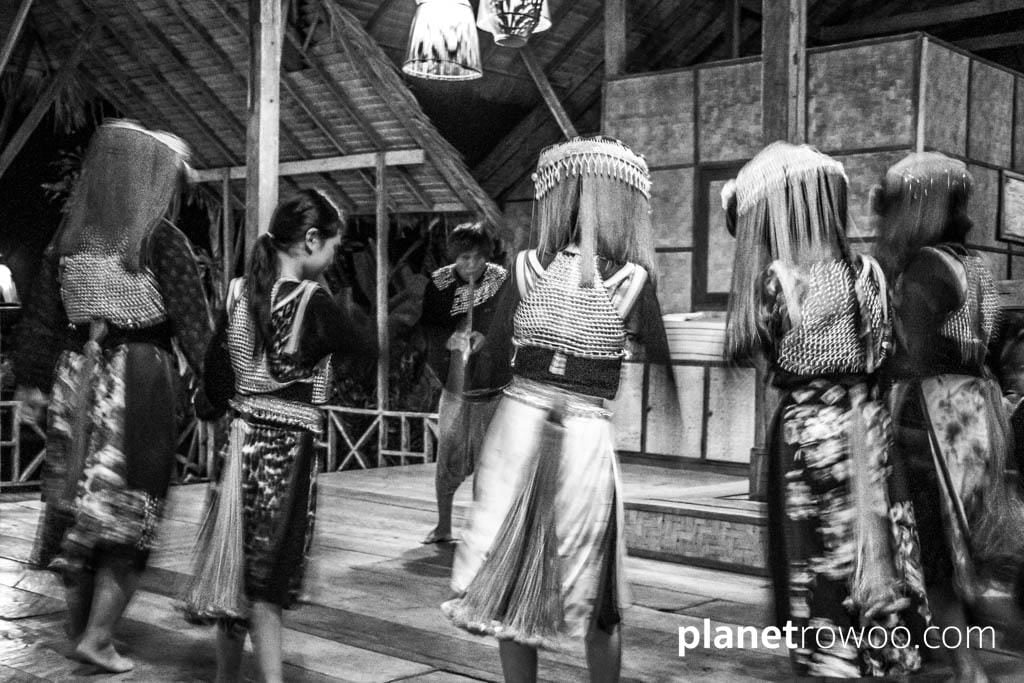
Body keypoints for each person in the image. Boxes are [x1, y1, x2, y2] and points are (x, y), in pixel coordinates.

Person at [442, 136, 668, 683]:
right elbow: (652, 354)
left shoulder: (524, 269)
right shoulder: (634, 278)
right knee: (597, 597)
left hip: (519, 429)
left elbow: (495, 360)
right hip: (583, 438)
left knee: (509, 584)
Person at [724, 142, 930, 678]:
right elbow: (885, 353)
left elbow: (762, 348)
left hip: (808, 432)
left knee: (818, 551)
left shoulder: (779, 279)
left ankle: (829, 657)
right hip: (868, 424)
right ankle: (886, 652)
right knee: (877, 540)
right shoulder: (870, 273)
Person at [12, 120, 211, 672]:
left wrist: (30, 383)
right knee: (129, 511)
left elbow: (42, 321)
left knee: (76, 506)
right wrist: (219, 395)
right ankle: (98, 636)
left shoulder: (69, 240)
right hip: (137, 383)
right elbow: (195, 329)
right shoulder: (159, 240)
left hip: (77, 381)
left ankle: (82, 631)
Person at [188, 189, 376, 683]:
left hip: (235, 447)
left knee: (233, 572)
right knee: (267, 585)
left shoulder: (238, 294)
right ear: (310, 241)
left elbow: (215, 380)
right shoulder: (314, 302)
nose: (333, 258)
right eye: (332, 246)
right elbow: (367, 347)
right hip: (284, 455)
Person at [873, 152, 1024, 682]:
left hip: (930, 421)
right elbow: (999, 341)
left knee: (935, 545)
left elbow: (907, 353)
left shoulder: (922, 270)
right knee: (972, 540)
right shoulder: (976, 264)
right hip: (976, 417)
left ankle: (965, 666)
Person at [419, 221, 507, 544]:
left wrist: (489, 338)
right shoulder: (440, 283)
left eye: (477, 258)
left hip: (492, 389)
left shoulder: (500, 280)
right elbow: (427, 329)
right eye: (464, 258)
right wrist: (449, 342)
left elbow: (511, 324)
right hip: (455, 388)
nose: (471, 265)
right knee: (449, 457)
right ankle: (443, 525)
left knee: (490, 461)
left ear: (488, 255)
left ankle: (485, 531)